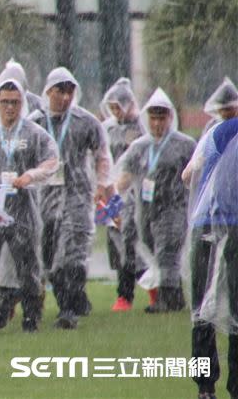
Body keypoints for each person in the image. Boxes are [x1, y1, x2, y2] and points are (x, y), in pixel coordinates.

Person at [0, 79, 59, 333]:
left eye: (15, 102)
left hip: (22, 210)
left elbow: (52, 161)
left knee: (28, 266)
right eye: (5, 102)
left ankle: (31, 316)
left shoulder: (34, 133)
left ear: (22, 103)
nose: (10, 107)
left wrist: (30, 176)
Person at [31, 67, 113, 329]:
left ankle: (68, 310)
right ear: (48, 92)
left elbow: (102, 154)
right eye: (60, 91)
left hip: (78, 196)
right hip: (44, 199)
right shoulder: (35, 123)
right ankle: (75, 297)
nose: (65, 97)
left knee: (72, 254)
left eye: (69, 91)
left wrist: (102, 183)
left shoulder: (86, 122)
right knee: (49, 257)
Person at [114, 87, 196, 313]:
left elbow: (197, 174)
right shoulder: (139, 147)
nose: (158, 123)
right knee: (157, 253)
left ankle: (166, 299)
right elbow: (125, 175)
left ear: (170, 118)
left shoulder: (185, 145)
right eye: (153, 118)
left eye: (162, 118)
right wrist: (112, 195)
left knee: (166, 250)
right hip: (146, 212)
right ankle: (175, 295)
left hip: (174, 208)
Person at [184, 118, 238, 399]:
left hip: (205, 225)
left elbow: (187, 175)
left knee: (201, 310)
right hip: (235, 228)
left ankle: (205, 387)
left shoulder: (219, 131)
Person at [99, 78, 147, 312]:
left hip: (135, 193)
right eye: (112, 107)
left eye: (119, 106)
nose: (116, 111)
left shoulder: (141, 126)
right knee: (117, 245)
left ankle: (153, 289)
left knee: (137, 243)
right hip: (111, 192)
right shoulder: (107, 128)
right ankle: (124, 294)